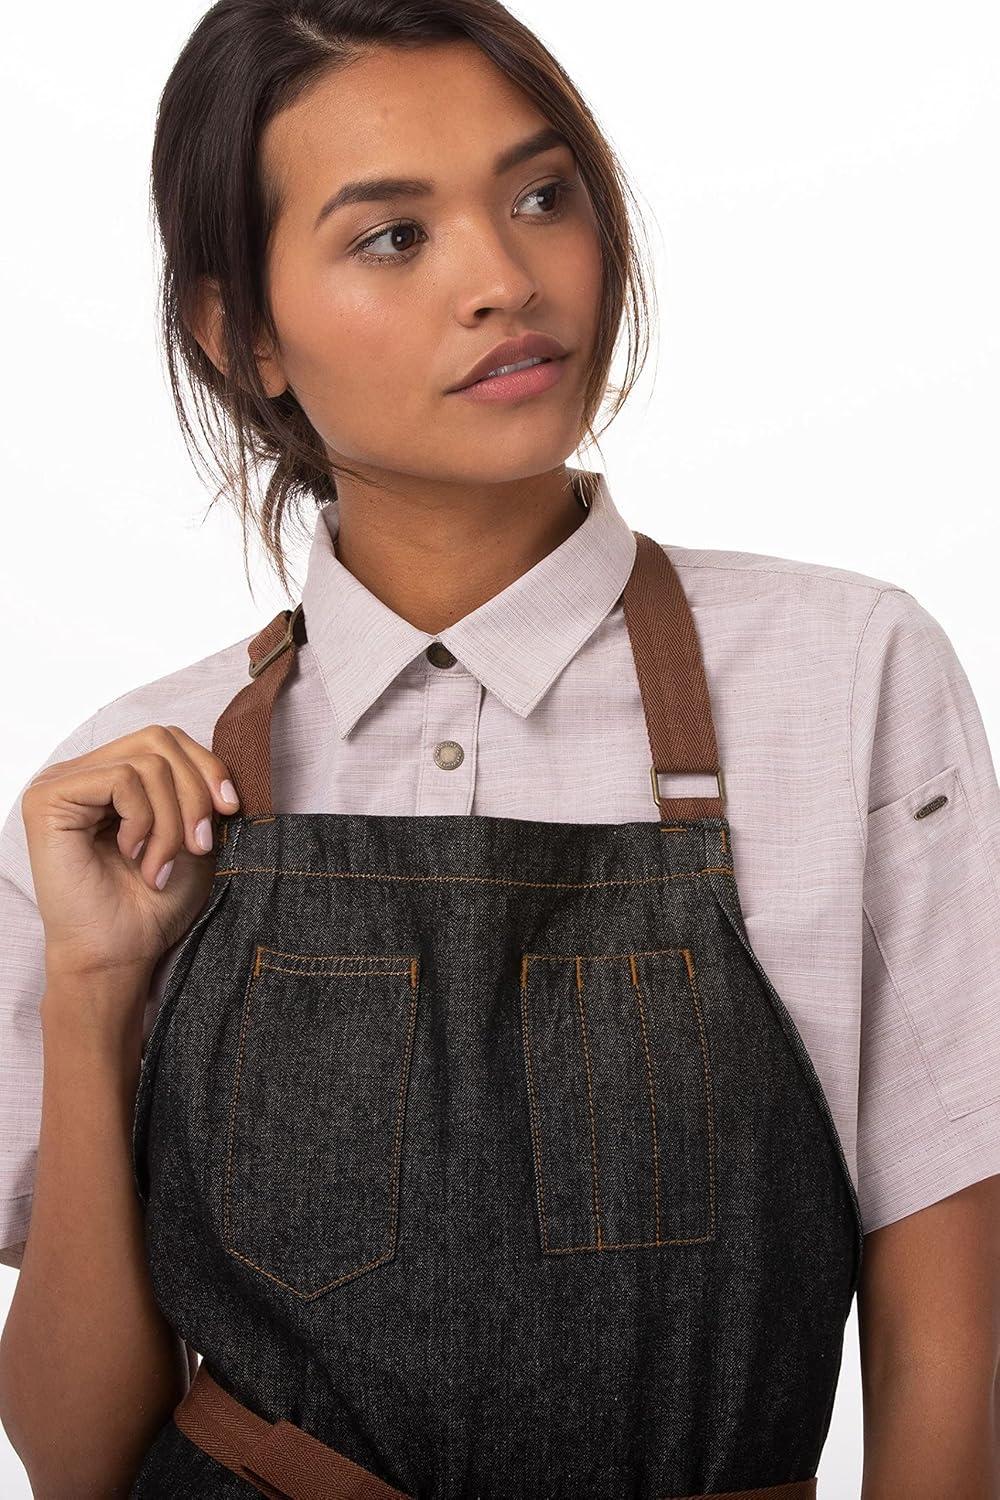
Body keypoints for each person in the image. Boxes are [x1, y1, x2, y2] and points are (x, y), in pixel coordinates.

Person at [0, 2, 998, 1496]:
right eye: (393, 237)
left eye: (541, 195)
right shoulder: (134, 788)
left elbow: (953, 1367)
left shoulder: (843, 675)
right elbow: (72, 1457)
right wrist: (93, 990)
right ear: (242, 332)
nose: (507, 278)